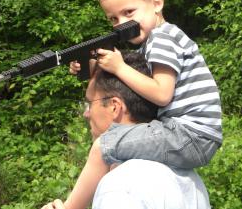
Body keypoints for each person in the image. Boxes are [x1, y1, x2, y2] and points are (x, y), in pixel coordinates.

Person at [66, 0, 222, 209]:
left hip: (188, 134)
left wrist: (119, 67)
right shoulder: (154, 43)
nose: (121, 23)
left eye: (129, 12)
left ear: (157, 3)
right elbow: (130, 84)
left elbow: (160, 93)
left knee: (104, 145)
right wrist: (92, 65)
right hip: (190, 135)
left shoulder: (163, 38)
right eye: (114, 18)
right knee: (121, 149)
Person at [41, 52, 211, 209]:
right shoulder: (191, 181)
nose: (86, 113)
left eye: (89, 103)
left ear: (115, 106)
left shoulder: (121, 186)